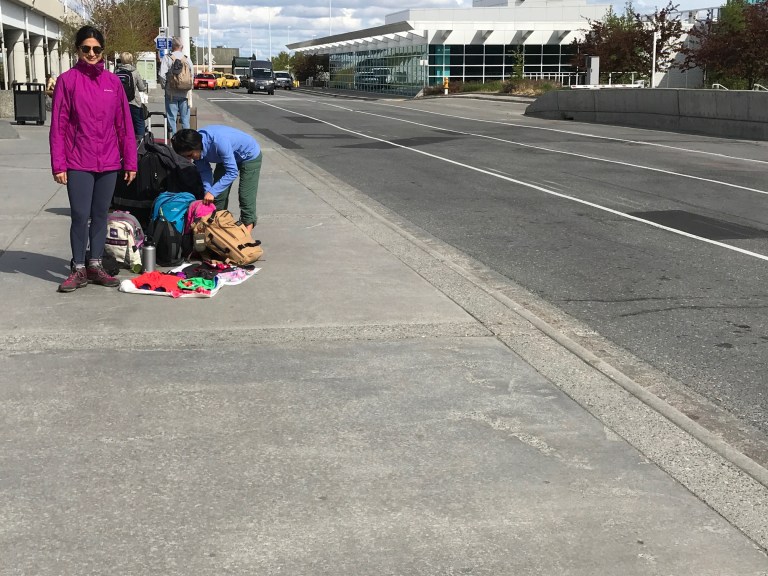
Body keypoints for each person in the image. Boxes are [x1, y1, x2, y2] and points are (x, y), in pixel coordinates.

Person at [49, 25, 137, 293]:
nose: (91, 53)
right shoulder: (67, 81)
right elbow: (59, 126)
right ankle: (78, 268)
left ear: (103, 51)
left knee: (100, 215)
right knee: (79, 215)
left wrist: (130, 162)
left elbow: (124, 125)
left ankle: (95, 265)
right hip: (78, 161)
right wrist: (58, 163)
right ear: (78, 50)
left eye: (96, 49)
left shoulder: (113, 83)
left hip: (109, 161)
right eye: (86, 49)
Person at [171, 126, 262, 232]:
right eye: (186, 157)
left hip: (249, 155)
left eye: (190, 155)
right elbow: (205, 171)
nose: (189, 159)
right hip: (226, 157)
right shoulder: (197, 149)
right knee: (218, 197)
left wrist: (212, 192)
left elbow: (232, 172)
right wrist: (208, 192)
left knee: (245, 196)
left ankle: (247, 234)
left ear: (196, 146)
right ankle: (219, 228)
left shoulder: (219, 142)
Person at [158, 37, 192, 136]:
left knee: (171, 118)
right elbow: (192, 75)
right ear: (182, 46)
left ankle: (173, 142)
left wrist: (165, 86)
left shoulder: (167, 58)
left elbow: (161, 75)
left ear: (172, 47)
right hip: (184, 94)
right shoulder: (187, 59)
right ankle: (187, 141)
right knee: (185, 119)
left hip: (171, 93)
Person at [117, 52, 148, 140]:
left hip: (121, 102)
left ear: (122, 60)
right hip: (134, 101)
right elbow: (141, 88)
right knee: (139, 123)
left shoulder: (117, 72)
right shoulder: (135, 72)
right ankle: (141, 144)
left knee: (124, 124)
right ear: (131, 60)